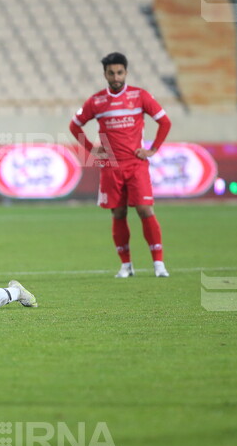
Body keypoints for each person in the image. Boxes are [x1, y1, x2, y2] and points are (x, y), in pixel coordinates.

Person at [69, 52, 173, 278]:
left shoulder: (140, 96)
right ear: (105, 74)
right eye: (111, 73)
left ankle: (159, 264)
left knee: (145, 210)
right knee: (118, 213)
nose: (116, 77)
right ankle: (126, 266)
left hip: (136, 164)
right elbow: (74, 126)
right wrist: (91, 148)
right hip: (111, 166)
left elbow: (164, 122)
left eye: (119, 72)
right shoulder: (96, 101)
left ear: (125, 72)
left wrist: (152, 149)